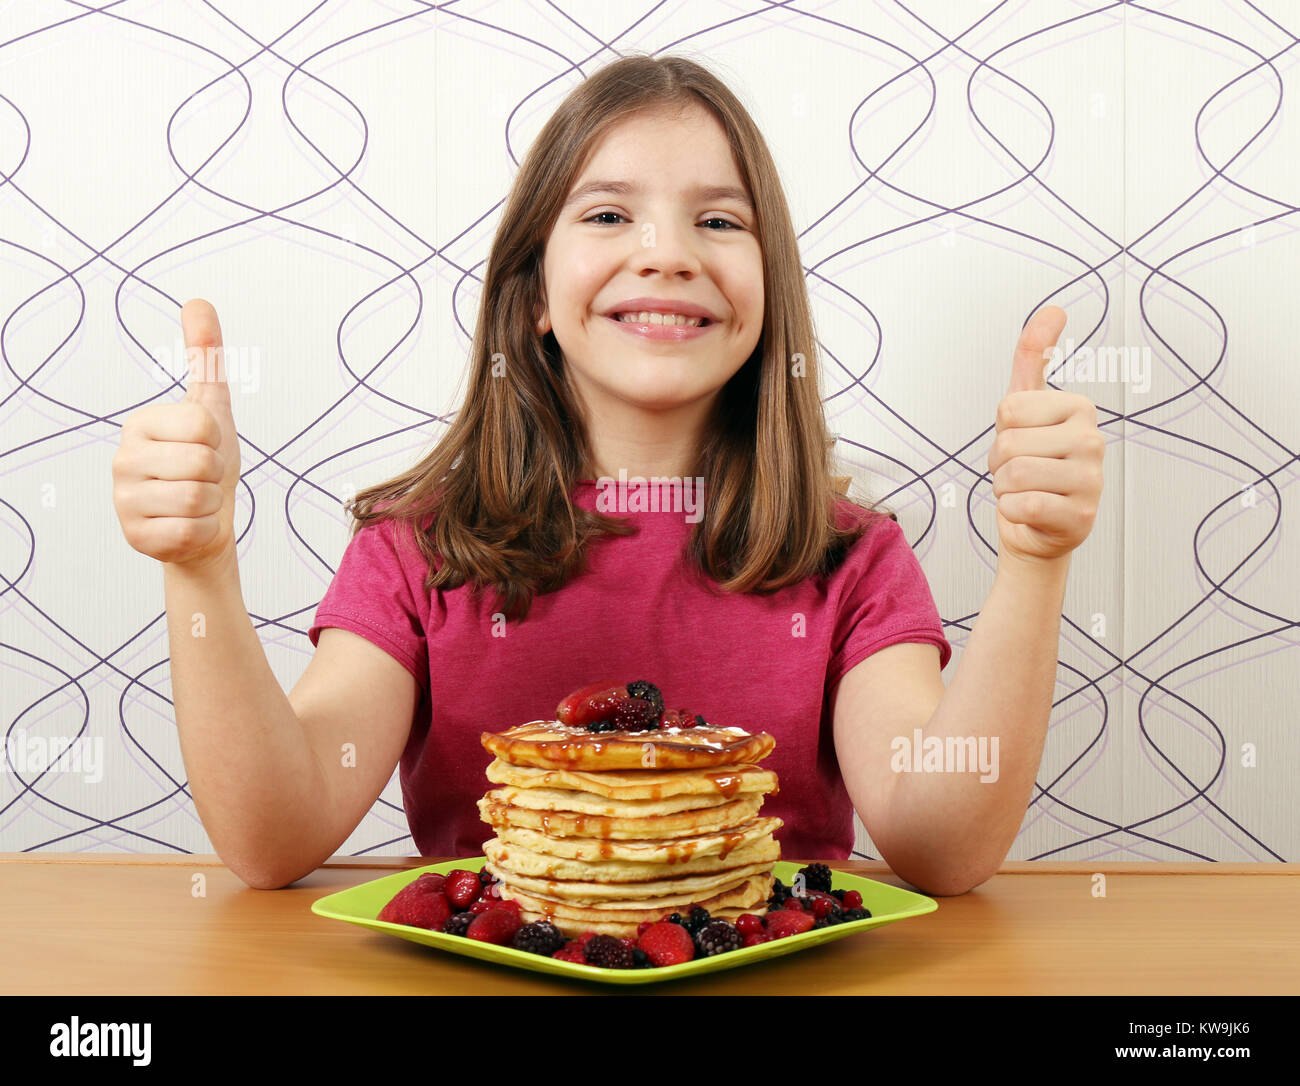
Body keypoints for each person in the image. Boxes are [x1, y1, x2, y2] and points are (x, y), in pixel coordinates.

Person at [111, 54, 1104, 893]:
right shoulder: (416, 551)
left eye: (719, 222)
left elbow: (944, 847)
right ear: (534, 293)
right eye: (606, 217)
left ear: (771, 294)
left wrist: (1034, 561)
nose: (666, 254)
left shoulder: (851, 559)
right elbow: (273, 835)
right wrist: (199, 570)